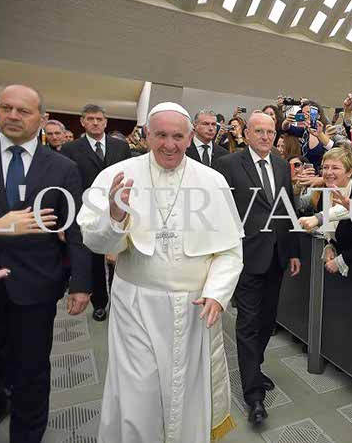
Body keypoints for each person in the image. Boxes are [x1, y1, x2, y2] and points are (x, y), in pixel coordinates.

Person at [76, 102, 244, 442]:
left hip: (195, 308)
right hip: (136, 305)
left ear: (190, 137)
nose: (169, 145)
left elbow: (230, 250)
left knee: (188, 393)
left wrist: (216, 293)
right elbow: (94, 241)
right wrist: (115, 214)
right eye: (161, 135)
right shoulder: (117, 175)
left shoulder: (212, 181)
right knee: (139, 394)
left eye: (178, 136)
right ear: (147, 135)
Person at [0, 85, 92, 443]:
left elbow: (75, 229)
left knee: (31, 371)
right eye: (7, 108)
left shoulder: (63, 168)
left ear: (43, 118)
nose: (13, 116)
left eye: (24, 111)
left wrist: (81, 283)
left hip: (35, 287)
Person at [213, 112, 301, 425]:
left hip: (277, 255)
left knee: (267, 320)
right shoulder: (227, 164)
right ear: (247, 133)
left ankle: (254, 367)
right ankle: (254, 395)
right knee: (248, 322)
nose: (265, 137)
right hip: (245, 255)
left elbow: (287, 208)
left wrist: (293, 250)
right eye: (259, 131)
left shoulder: (280, 165)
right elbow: (217, 210)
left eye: (270, 132)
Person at [61, 104, 131, 322]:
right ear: (82, 122)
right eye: (90, 119)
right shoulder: (70, 149)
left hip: (117, 209)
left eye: (99, 119)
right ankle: (99, 303)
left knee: (117, 256)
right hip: (87, 211)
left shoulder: (120, 147)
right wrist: (65, 221)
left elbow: (130, 177)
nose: (95, 123)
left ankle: (118, 302)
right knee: (93, 259)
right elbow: (66, 187)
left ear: (105, 122)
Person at [299, 147, 352, 276]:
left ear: (349, 172)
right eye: (325, 167)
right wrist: (330, 246)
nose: (328, 172)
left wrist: (341, 260)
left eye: (335, 168)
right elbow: (334, 231)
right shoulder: (325, 194)